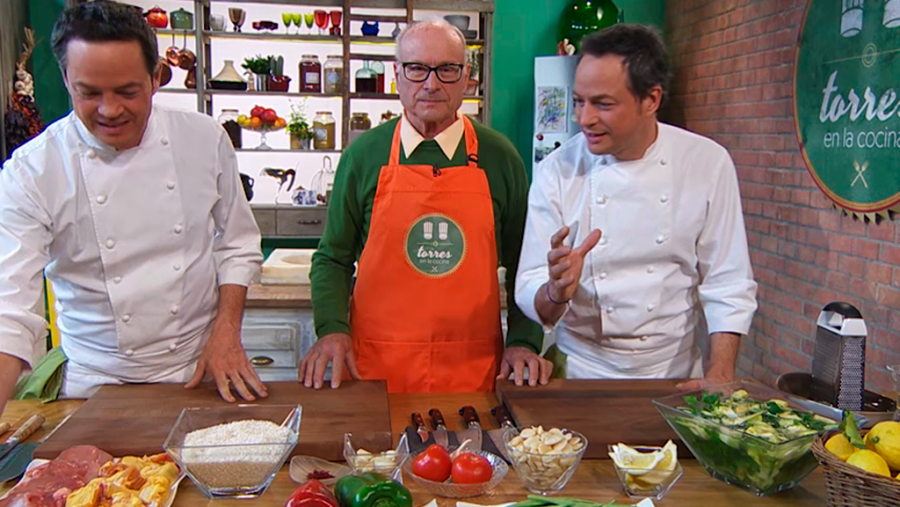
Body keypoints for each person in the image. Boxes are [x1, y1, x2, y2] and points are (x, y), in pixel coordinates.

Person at [0, 1, 265, 416]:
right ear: (67, 80)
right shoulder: (33, 171)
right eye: (89, 93)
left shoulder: (203, 139)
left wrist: (227, 333)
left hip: (196, 371)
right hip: (93, 384)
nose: (110, 110)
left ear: (156, 77)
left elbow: (237, 244)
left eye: (127, 91)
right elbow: (8, 308)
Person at [301, 19, 551, 393]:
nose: (431, 84)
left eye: (447, 70)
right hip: (376, 371)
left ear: (467, 77)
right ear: (397, 75)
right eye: (417, 69)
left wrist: (523, 341)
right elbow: (332, 259)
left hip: (474, 373)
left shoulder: (500, 157)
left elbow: (524, 265)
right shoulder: (364, 156)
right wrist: (332, 329)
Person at [515, 24, 758, 389]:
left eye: (603, 104)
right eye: (579, 101)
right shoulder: (557, 170)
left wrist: (720, 376)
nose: (584, 119)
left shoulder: (706, 163)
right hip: (580, 375)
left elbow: (727, 282)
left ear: (651, 100)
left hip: (674, 375)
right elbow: (531, 284)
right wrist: (555, 291)